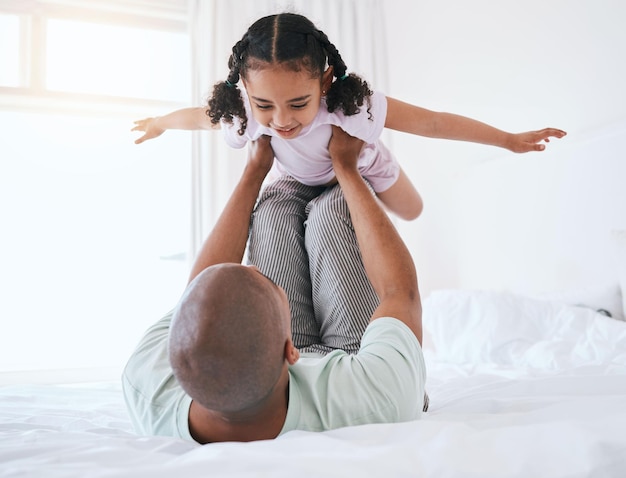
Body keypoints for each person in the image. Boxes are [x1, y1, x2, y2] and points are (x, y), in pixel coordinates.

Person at [122, 126, 427, 443]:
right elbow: (399, 293)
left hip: (269, 376)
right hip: (355, 362)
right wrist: (347, 169)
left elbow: (200, 289)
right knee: (336, 208)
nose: (255, 266)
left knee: (273, 206)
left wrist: (254, 171)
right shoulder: (377, 396)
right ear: (289, 350)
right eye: (269, 284)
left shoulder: (146, 379)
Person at [132, 12, 566, 221]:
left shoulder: (349, 104)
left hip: (364, 167)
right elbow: (196, 117)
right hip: (299, 181)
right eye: (265, 105)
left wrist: (507, 139)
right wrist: (158, 124)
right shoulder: (247, 113)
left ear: (323, 82)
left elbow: (432, 122)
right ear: (246, 91)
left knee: (413, 211)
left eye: (298, 104)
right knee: (297, 221)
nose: (281, 120)